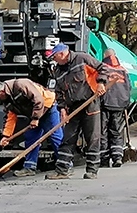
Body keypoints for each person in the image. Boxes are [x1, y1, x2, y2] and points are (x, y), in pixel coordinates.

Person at [46, 43, 108, 180]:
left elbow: (103, 68)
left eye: (54, 57)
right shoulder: (58, 71)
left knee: (92, 138)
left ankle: (92, 170)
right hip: (72, 108)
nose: (54, 60)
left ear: (62, 54)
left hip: (90, 104)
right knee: (67, 138)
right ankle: (62, 170)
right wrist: (62, 108)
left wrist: (101, 83)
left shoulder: (82, 59)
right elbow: (59, 92)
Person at [0, 79, 61, 177]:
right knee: (31, 137)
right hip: (34, 113)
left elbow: (38, 99)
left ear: (2, 92)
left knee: (54, 136)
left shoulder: (20, 85)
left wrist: (36, 118)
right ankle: (30, 167)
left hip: (47, 107)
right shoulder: (7, 100)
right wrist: (6, 136)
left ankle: (64, 165)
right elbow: (10, 117)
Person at [99, 48, 131, 168]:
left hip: (105, 104)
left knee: (103, 131)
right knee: (117, 131)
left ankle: (104, 159)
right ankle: (117, 157)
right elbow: (129, 87)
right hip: (119, 104)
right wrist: (125, 102)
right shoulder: (123, 70)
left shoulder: (103, 68)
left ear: (105, 56)